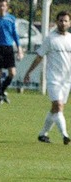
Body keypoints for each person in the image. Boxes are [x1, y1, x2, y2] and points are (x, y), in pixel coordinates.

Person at [23, 11, 71, 145]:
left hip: (67, 81)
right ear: (56, 22)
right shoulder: (50, 39)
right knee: (58, 105)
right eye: (60, 20)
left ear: (69, 23)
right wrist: (29, 72)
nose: (63, 23)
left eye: (65, 21)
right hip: (53, 79)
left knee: (55, 109)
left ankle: (42, 134)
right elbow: (39, 56)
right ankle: (65, 135)